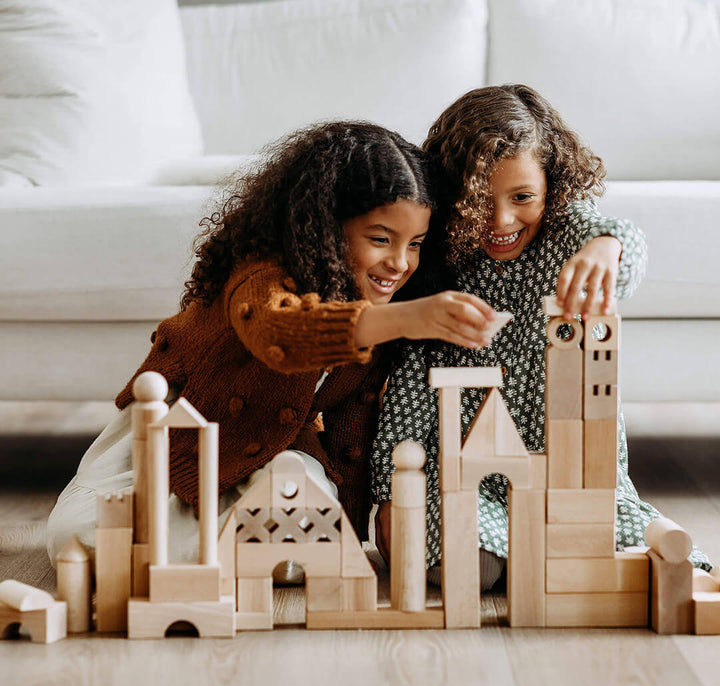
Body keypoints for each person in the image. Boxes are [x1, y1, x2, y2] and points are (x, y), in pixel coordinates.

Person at [46, 121, 499, 574]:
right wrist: (408, 317)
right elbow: (279, 335)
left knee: (304, 516)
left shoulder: (379, 312)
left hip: (273, 449)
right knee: (80, 537)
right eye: (380, 239)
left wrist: (354, 525)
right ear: (325, 226)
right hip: (178, 432)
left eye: (414, 244)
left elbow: (352, 428)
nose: (400, 263)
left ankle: (231, 555)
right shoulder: (261, 274)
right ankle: (208, 557)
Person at [370, 85, 713, 590]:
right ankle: (516, 553)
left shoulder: (565, 229)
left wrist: (606, 247)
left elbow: (621, 238)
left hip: (564, 471)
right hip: (457, 467)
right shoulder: (435, 246)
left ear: (552, 187)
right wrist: (390, 495)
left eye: (523, 197)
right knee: (469, 567)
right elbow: (407, 395)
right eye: (480, 200)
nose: (502, 220)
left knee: (633, 543)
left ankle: (555, 550)